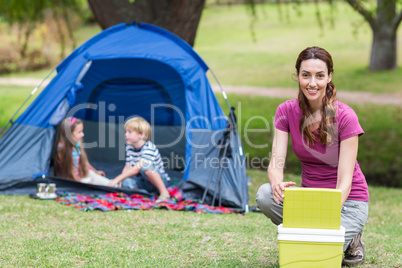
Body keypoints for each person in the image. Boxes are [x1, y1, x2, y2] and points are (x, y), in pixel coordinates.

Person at [255, 46, 369, 267]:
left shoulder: (346, 117)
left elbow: (345, 181)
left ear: (329, 77)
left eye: (319, 75)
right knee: (264, 195)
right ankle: (318, 235)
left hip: (347, 203)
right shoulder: (285, 111)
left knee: (313, 258)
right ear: (297, 76)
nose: (312, 83)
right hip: (309, 200)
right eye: (305, 75)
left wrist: (325, 211)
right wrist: (277, 183)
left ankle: (349, 237)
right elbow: (276, 163)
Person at [107, 117, 171, 203]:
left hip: (159, 181)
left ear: (141, 135)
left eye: (130, 132)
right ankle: (140, 195)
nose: (126, 134)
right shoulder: (129, 148)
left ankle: (164, 192)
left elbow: (137, 168)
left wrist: (116, 179)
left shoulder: (149, 147)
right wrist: (120, 184)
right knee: (127, 181)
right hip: (143, 182)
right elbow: (127, 167)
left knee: (145, 167)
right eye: (125, 131)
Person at [54, 117, 111, 186]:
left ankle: (112, 184)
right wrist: (81, 182)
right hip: (71, 179)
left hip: (82, 174)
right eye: (79, 132)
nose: (82, 134)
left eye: (82, 131)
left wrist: (96, 172)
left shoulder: (77, 144)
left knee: (105, 182)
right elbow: (69, 171)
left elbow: (84, 162)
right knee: (90, 183)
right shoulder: (62, 149)